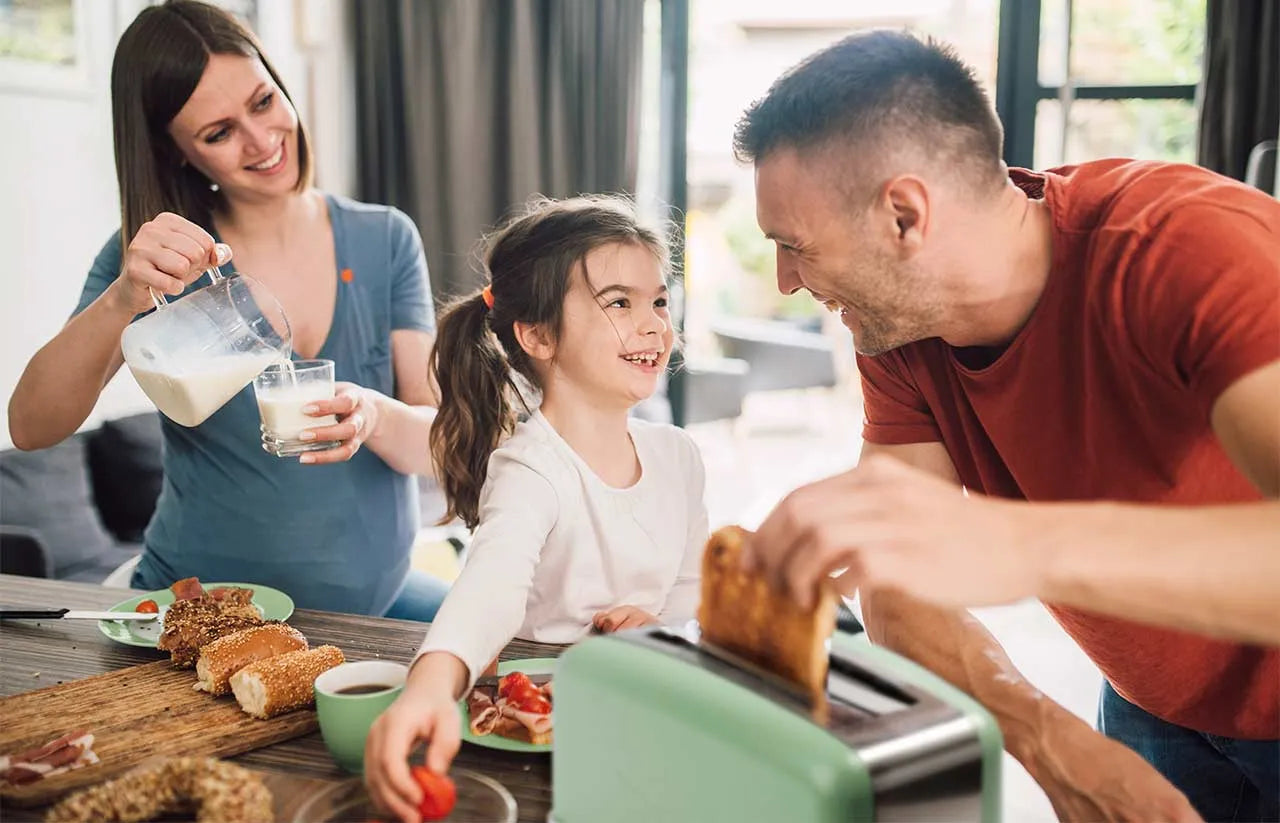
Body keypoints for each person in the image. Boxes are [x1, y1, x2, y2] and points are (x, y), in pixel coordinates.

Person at [733, 31, 1278, 823]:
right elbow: (899, 587)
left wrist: (1021, 544)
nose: (785, 280)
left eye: (795, 245)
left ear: (904, 215)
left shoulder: (1189, 251)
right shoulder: (897, 324)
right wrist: (1047, 738)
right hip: (1151, 703)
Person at [7, 0, 450, 620]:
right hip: (207, 612)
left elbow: (439, 444)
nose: (262, 141)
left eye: (264, 102)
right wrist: (121, 300)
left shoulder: (385, 239)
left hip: (374, 606)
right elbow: (31, 428)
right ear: (176, 152)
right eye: (219, 133)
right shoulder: (158, 262)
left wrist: (373, 416)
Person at [362, 195, 709, 823]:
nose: (655, 325)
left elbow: (691, 605)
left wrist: (663, 631)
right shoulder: (529, 469)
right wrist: (429, 689)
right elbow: (487, 593)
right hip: (541, 743)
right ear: (538, 335)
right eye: (619, 303)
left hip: (648, 718)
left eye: (659, 301)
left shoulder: (678, 456)